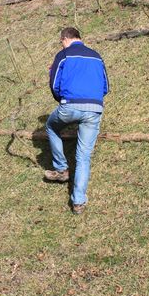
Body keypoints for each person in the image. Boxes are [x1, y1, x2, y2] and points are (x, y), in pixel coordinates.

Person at [45, 27, 109, 214]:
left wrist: (63, 100)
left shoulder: (63, 55)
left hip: (70, 106)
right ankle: (78, 202)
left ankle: (61, 169)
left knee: (51, 126)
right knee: (84, 156)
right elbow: (105, 86)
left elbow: (54, 83)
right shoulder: (97, 56)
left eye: (61, 41)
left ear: (65, 39)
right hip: (95, 108)